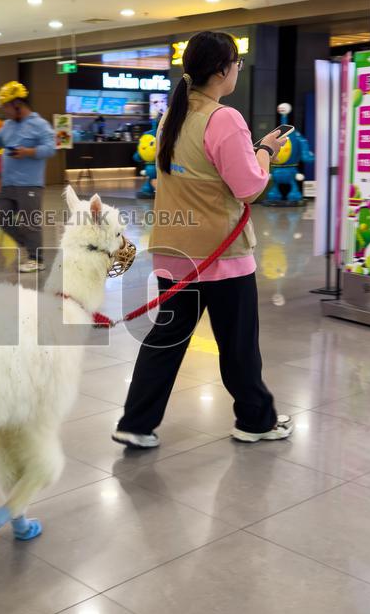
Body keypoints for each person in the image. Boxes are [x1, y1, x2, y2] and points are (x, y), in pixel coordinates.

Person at [112, 31, 294, 449]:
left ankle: (136, 422)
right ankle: (255, 421)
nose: (238, 70)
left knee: (165, 341)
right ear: (222, 69)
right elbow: (249, 187)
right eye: (237, 64)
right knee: (238, 346)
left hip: (174, 253)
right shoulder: (224, 118)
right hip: (221, 256)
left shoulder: (171, 117)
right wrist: (265, 151)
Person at [0, 81, 56, 273]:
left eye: (6, 106)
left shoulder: (39, 125)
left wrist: (28, 152)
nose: (4, 111)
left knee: (30, 222)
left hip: (29, 184)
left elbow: (51, 148)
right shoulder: (8, 125)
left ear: (17, 104)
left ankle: (36, 259)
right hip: (8, 184)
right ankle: (27, 243)